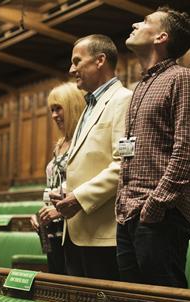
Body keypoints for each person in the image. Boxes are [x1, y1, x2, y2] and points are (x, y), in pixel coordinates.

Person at [115, 6, 190, 288]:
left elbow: (187, 152)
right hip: (128, 212)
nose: (135, 23)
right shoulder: (140, 86)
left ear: (161, 37)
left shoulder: (182, 78)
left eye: (145, 21)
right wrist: (125, 203)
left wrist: (155, 205)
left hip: (159, 215)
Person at [50, 34, 132, 280]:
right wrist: (66, 192)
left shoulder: (122, 100)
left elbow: (123, 164)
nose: (71, 68)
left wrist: (79, 197)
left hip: (102, 234)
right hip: (76, 231)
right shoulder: (89, 105)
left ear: (100, 60)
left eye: (77, 61)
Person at [30, 82, 85, 275]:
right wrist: (40, 214)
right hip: (51, 229)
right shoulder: (60, 144)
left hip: (72, 228)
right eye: (51, 110)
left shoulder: (82, 141)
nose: (54, 115)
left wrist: (59, 211)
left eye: (58, 108)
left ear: (73, 106)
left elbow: (82, 188)